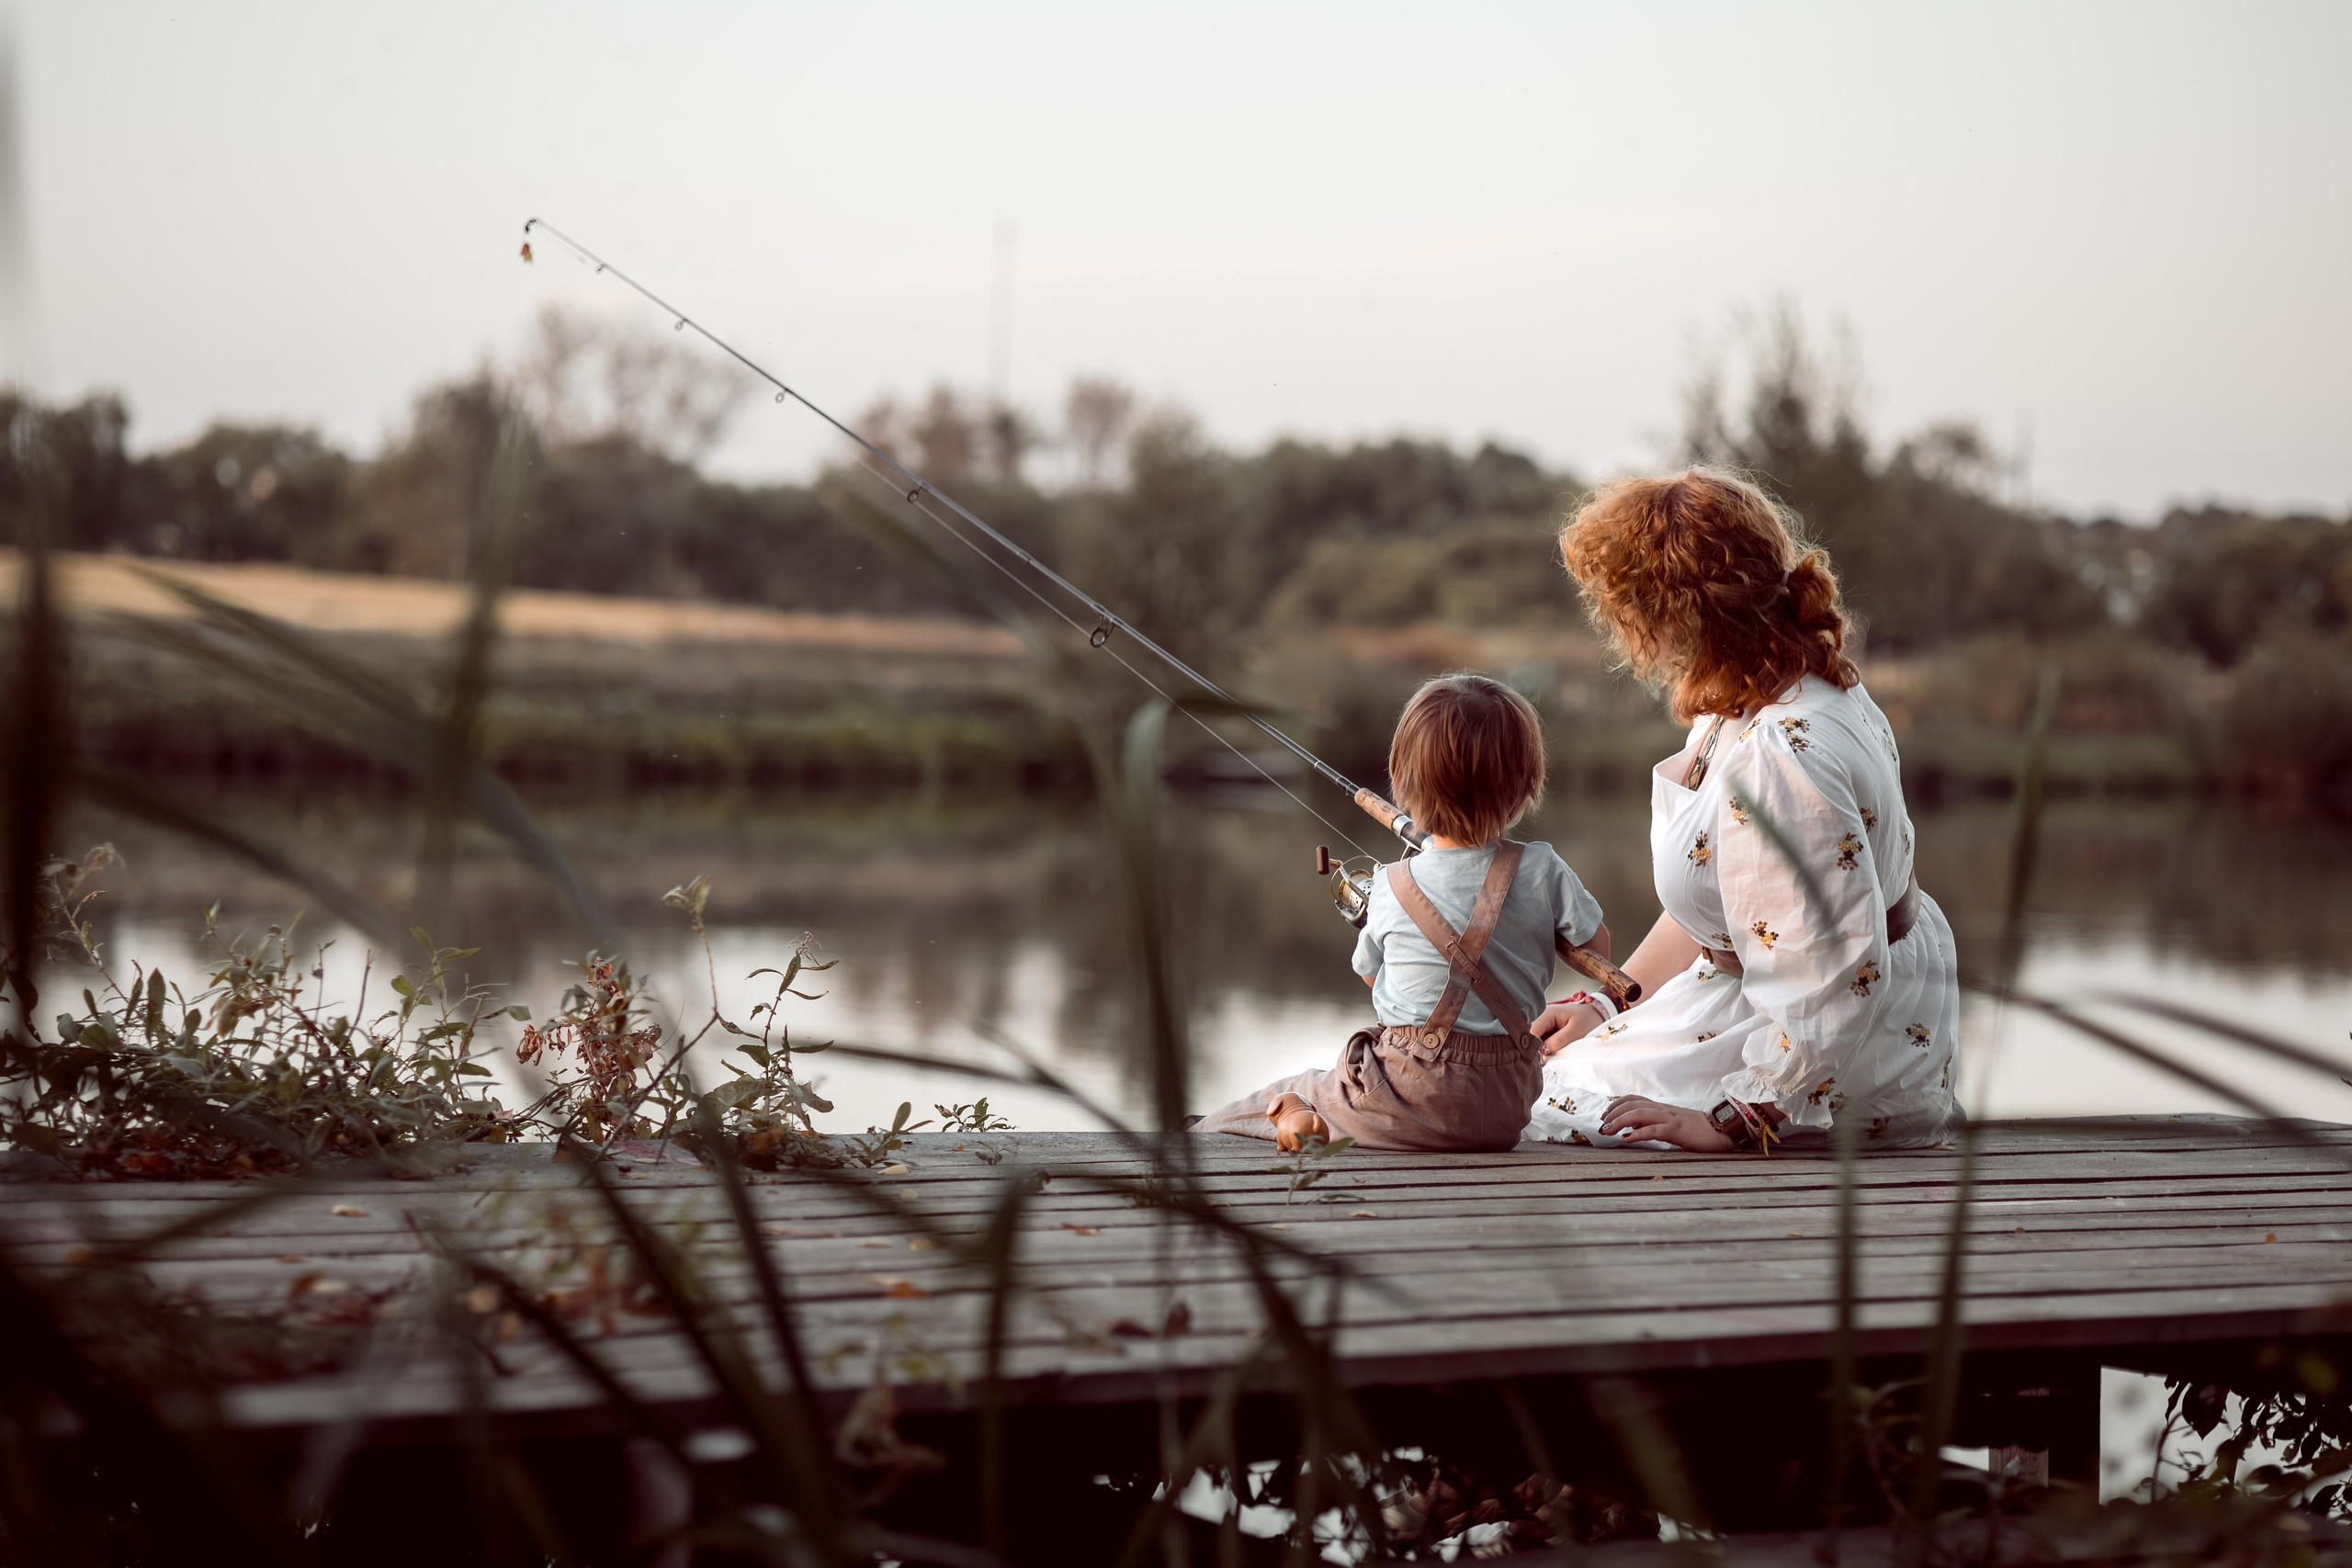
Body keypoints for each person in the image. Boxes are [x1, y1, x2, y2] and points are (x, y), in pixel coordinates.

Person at [1524, 470, 1961, 1153]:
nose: (1618, 624)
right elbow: (1733, 902)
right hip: (1775, 1011)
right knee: (1541, 1077)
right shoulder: (1775, 689)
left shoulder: (1782, 754)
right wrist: (1610, 998)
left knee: (1537, 1108)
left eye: (1625, 603)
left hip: (1819, 1060)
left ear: (1678, 612)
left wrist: (1738, 1118)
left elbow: (1832, 970)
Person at [1197, 674, 1608, 1152]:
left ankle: (1225, 1125)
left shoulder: (1392, 884)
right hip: (1506, 1105)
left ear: (1404, 784)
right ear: (1525, 785)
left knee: (1282, 1095)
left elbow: (1373, 980)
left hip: (1406, 1100)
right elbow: (1597, 949)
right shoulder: (1544, 868)